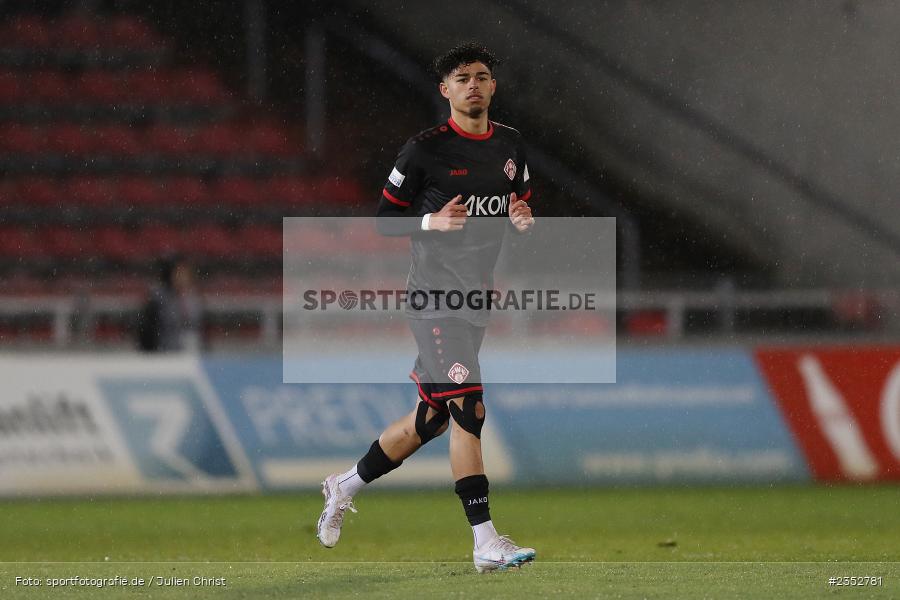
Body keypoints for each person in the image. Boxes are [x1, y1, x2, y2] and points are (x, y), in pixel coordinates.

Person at [316, 42, 536, 573]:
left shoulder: (511, 145)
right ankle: (485, 541)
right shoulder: (423, 151)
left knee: (432, 418)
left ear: (493, 86)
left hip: (475, 300)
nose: (474, 85)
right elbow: (382, 220)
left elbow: (520, 201)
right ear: (445, 90)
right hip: (434, 299)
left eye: (482, 76)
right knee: (469, 407)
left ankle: (344, 484)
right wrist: (428, 222)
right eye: (462, 78)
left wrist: (523, 217)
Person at [137, 255, 202, 352]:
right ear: (171, 275)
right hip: (166, 353)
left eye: (185, 273)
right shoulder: (159, 298)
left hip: (192, 352)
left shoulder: (194, 298)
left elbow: (200, 328)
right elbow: (148, 330)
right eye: (179, 273)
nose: (182, 277)